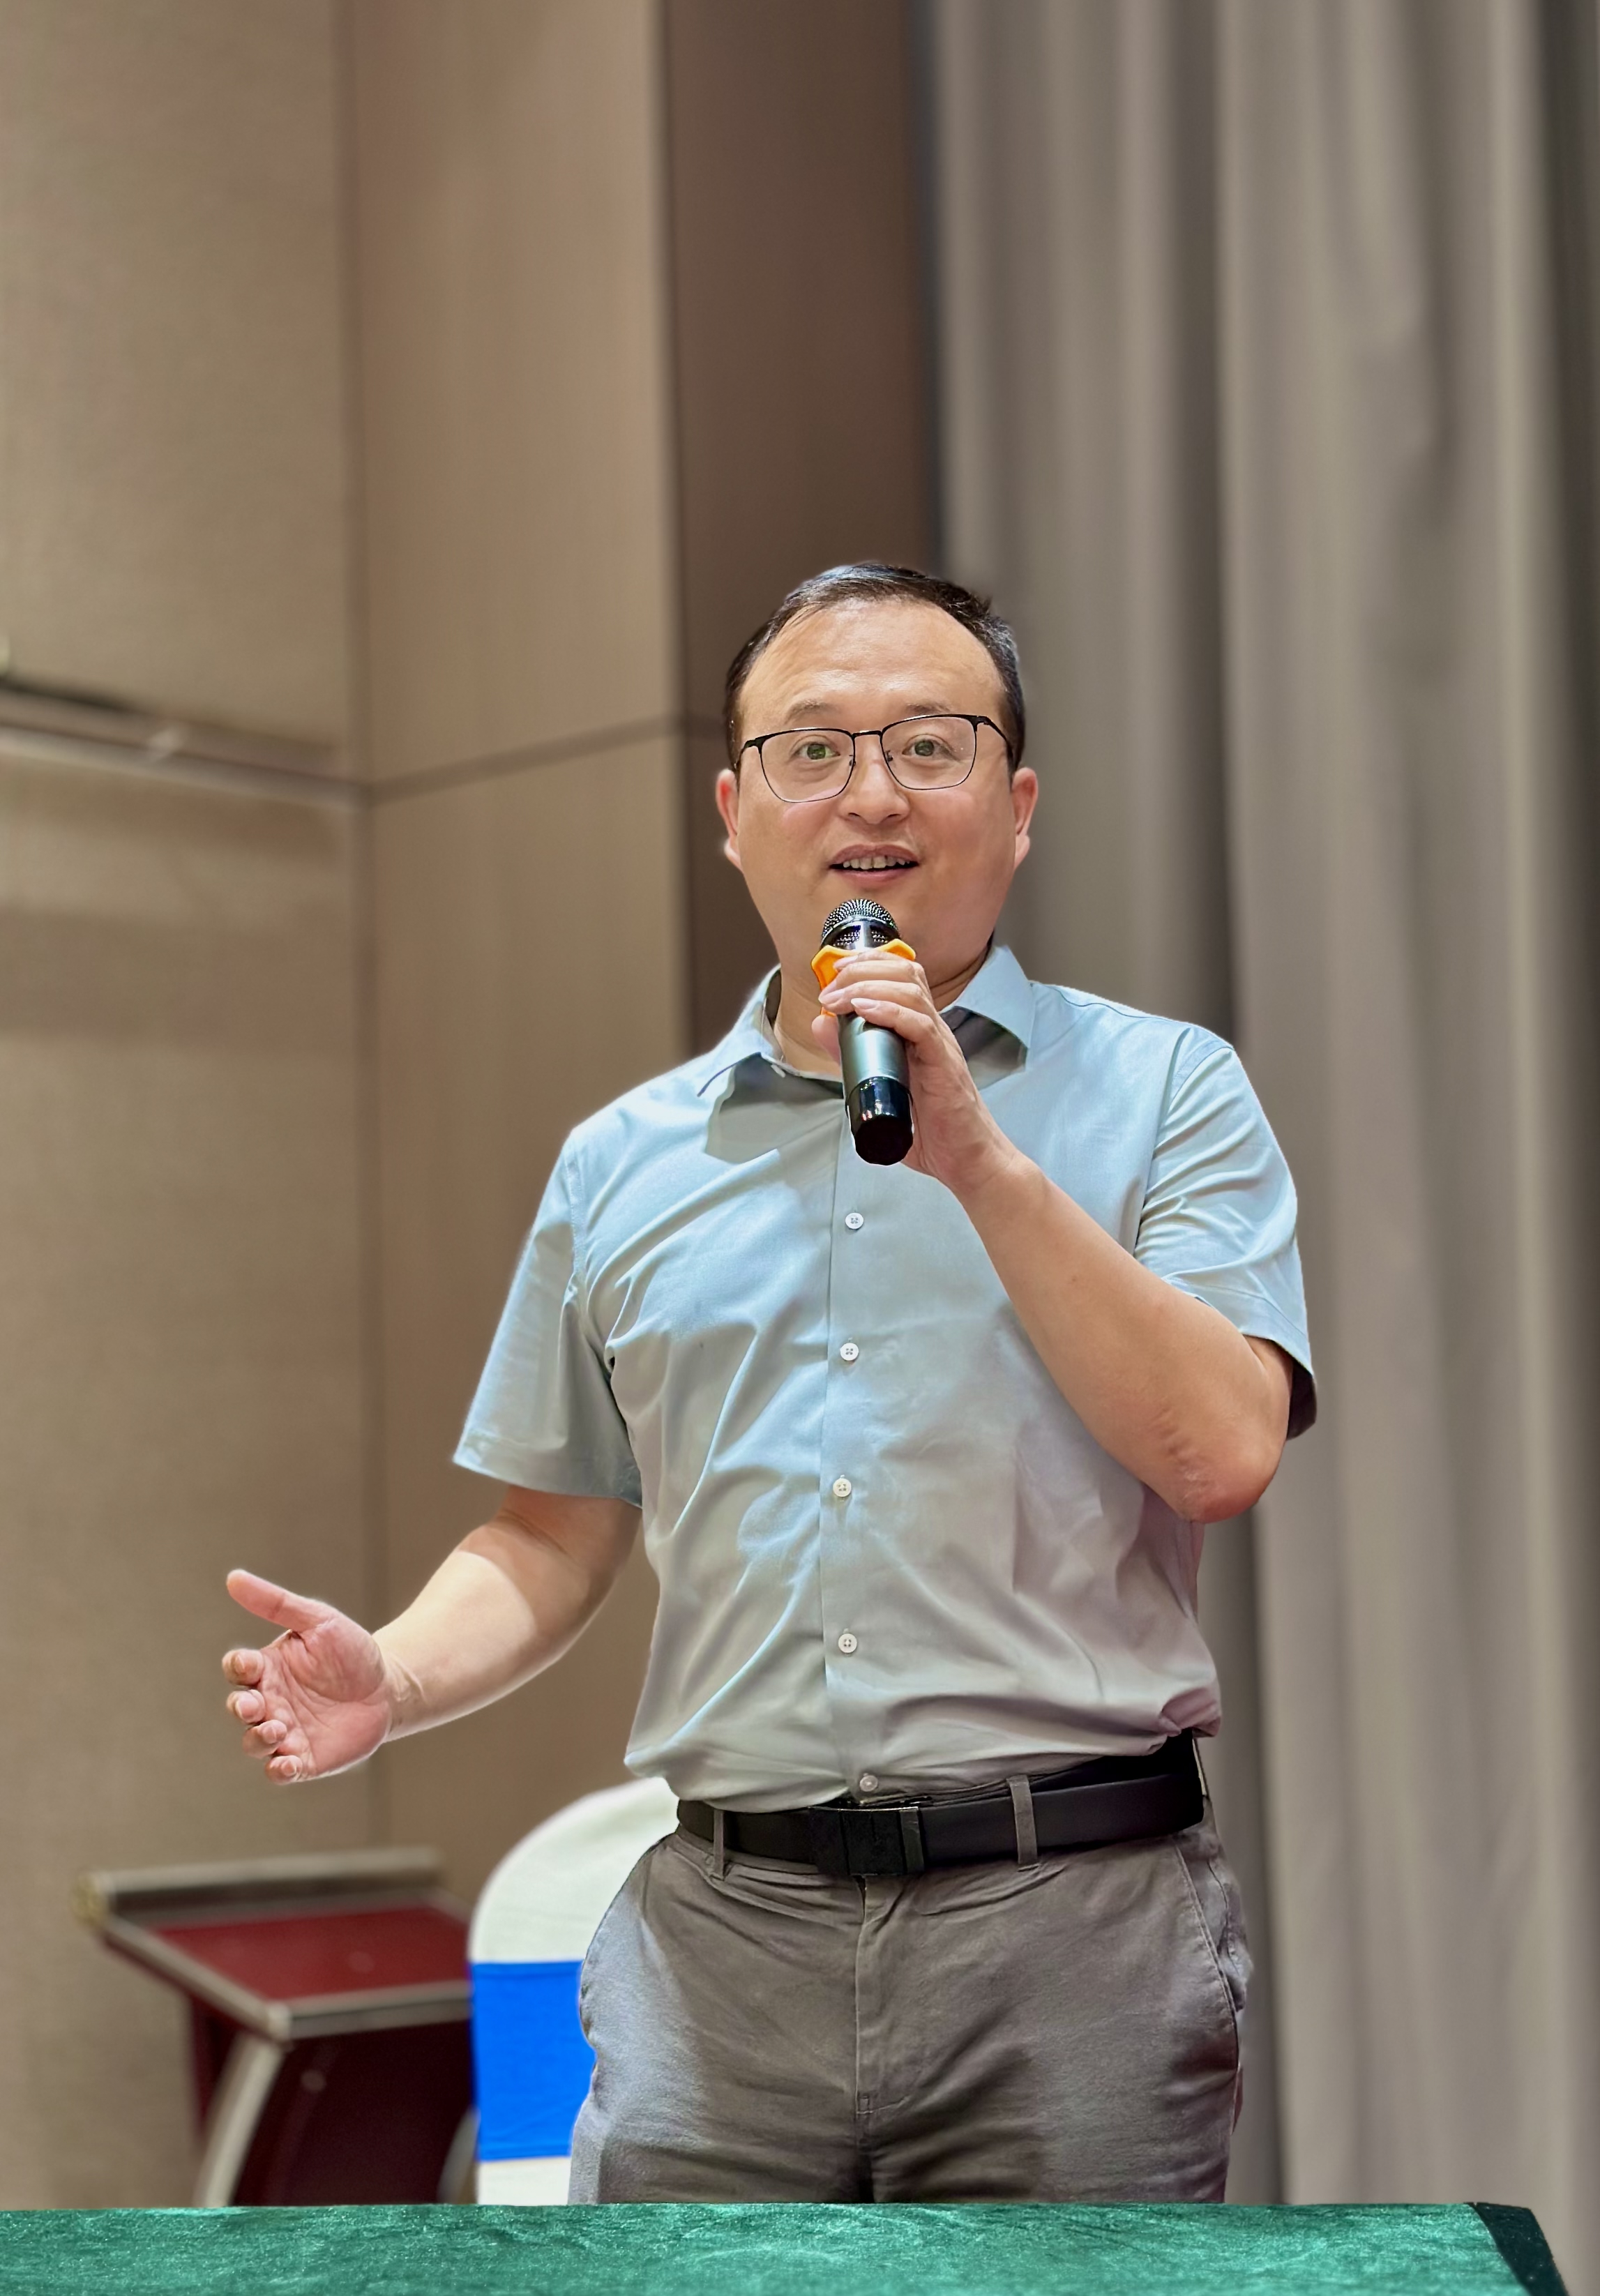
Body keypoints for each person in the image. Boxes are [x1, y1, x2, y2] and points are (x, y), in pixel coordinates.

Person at [223, 561, 1313, 2204]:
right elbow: (547, 1532)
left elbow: (1221, 1447)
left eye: (929, 744)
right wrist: (398, 1672)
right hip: (722, 1942)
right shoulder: (621, 1158)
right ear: (734, 815)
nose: (869, 794)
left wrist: (979, 1163)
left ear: (1016, 807)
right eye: (811, 748)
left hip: (1069, 1922)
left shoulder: (1168, 1088)